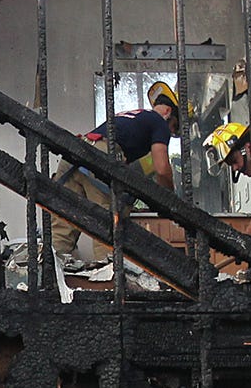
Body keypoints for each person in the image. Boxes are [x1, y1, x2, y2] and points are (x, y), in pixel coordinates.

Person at [46, 79, 183, 269]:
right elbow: (162, 169)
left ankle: (51, 279)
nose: (171, 132)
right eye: (175, 127)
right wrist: (170, 202)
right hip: (99, 158)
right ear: (168, 112)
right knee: (106, 228)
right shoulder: (159, 122)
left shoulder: (133, 118)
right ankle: (110, 285)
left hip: (74, 155)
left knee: (62, 227)